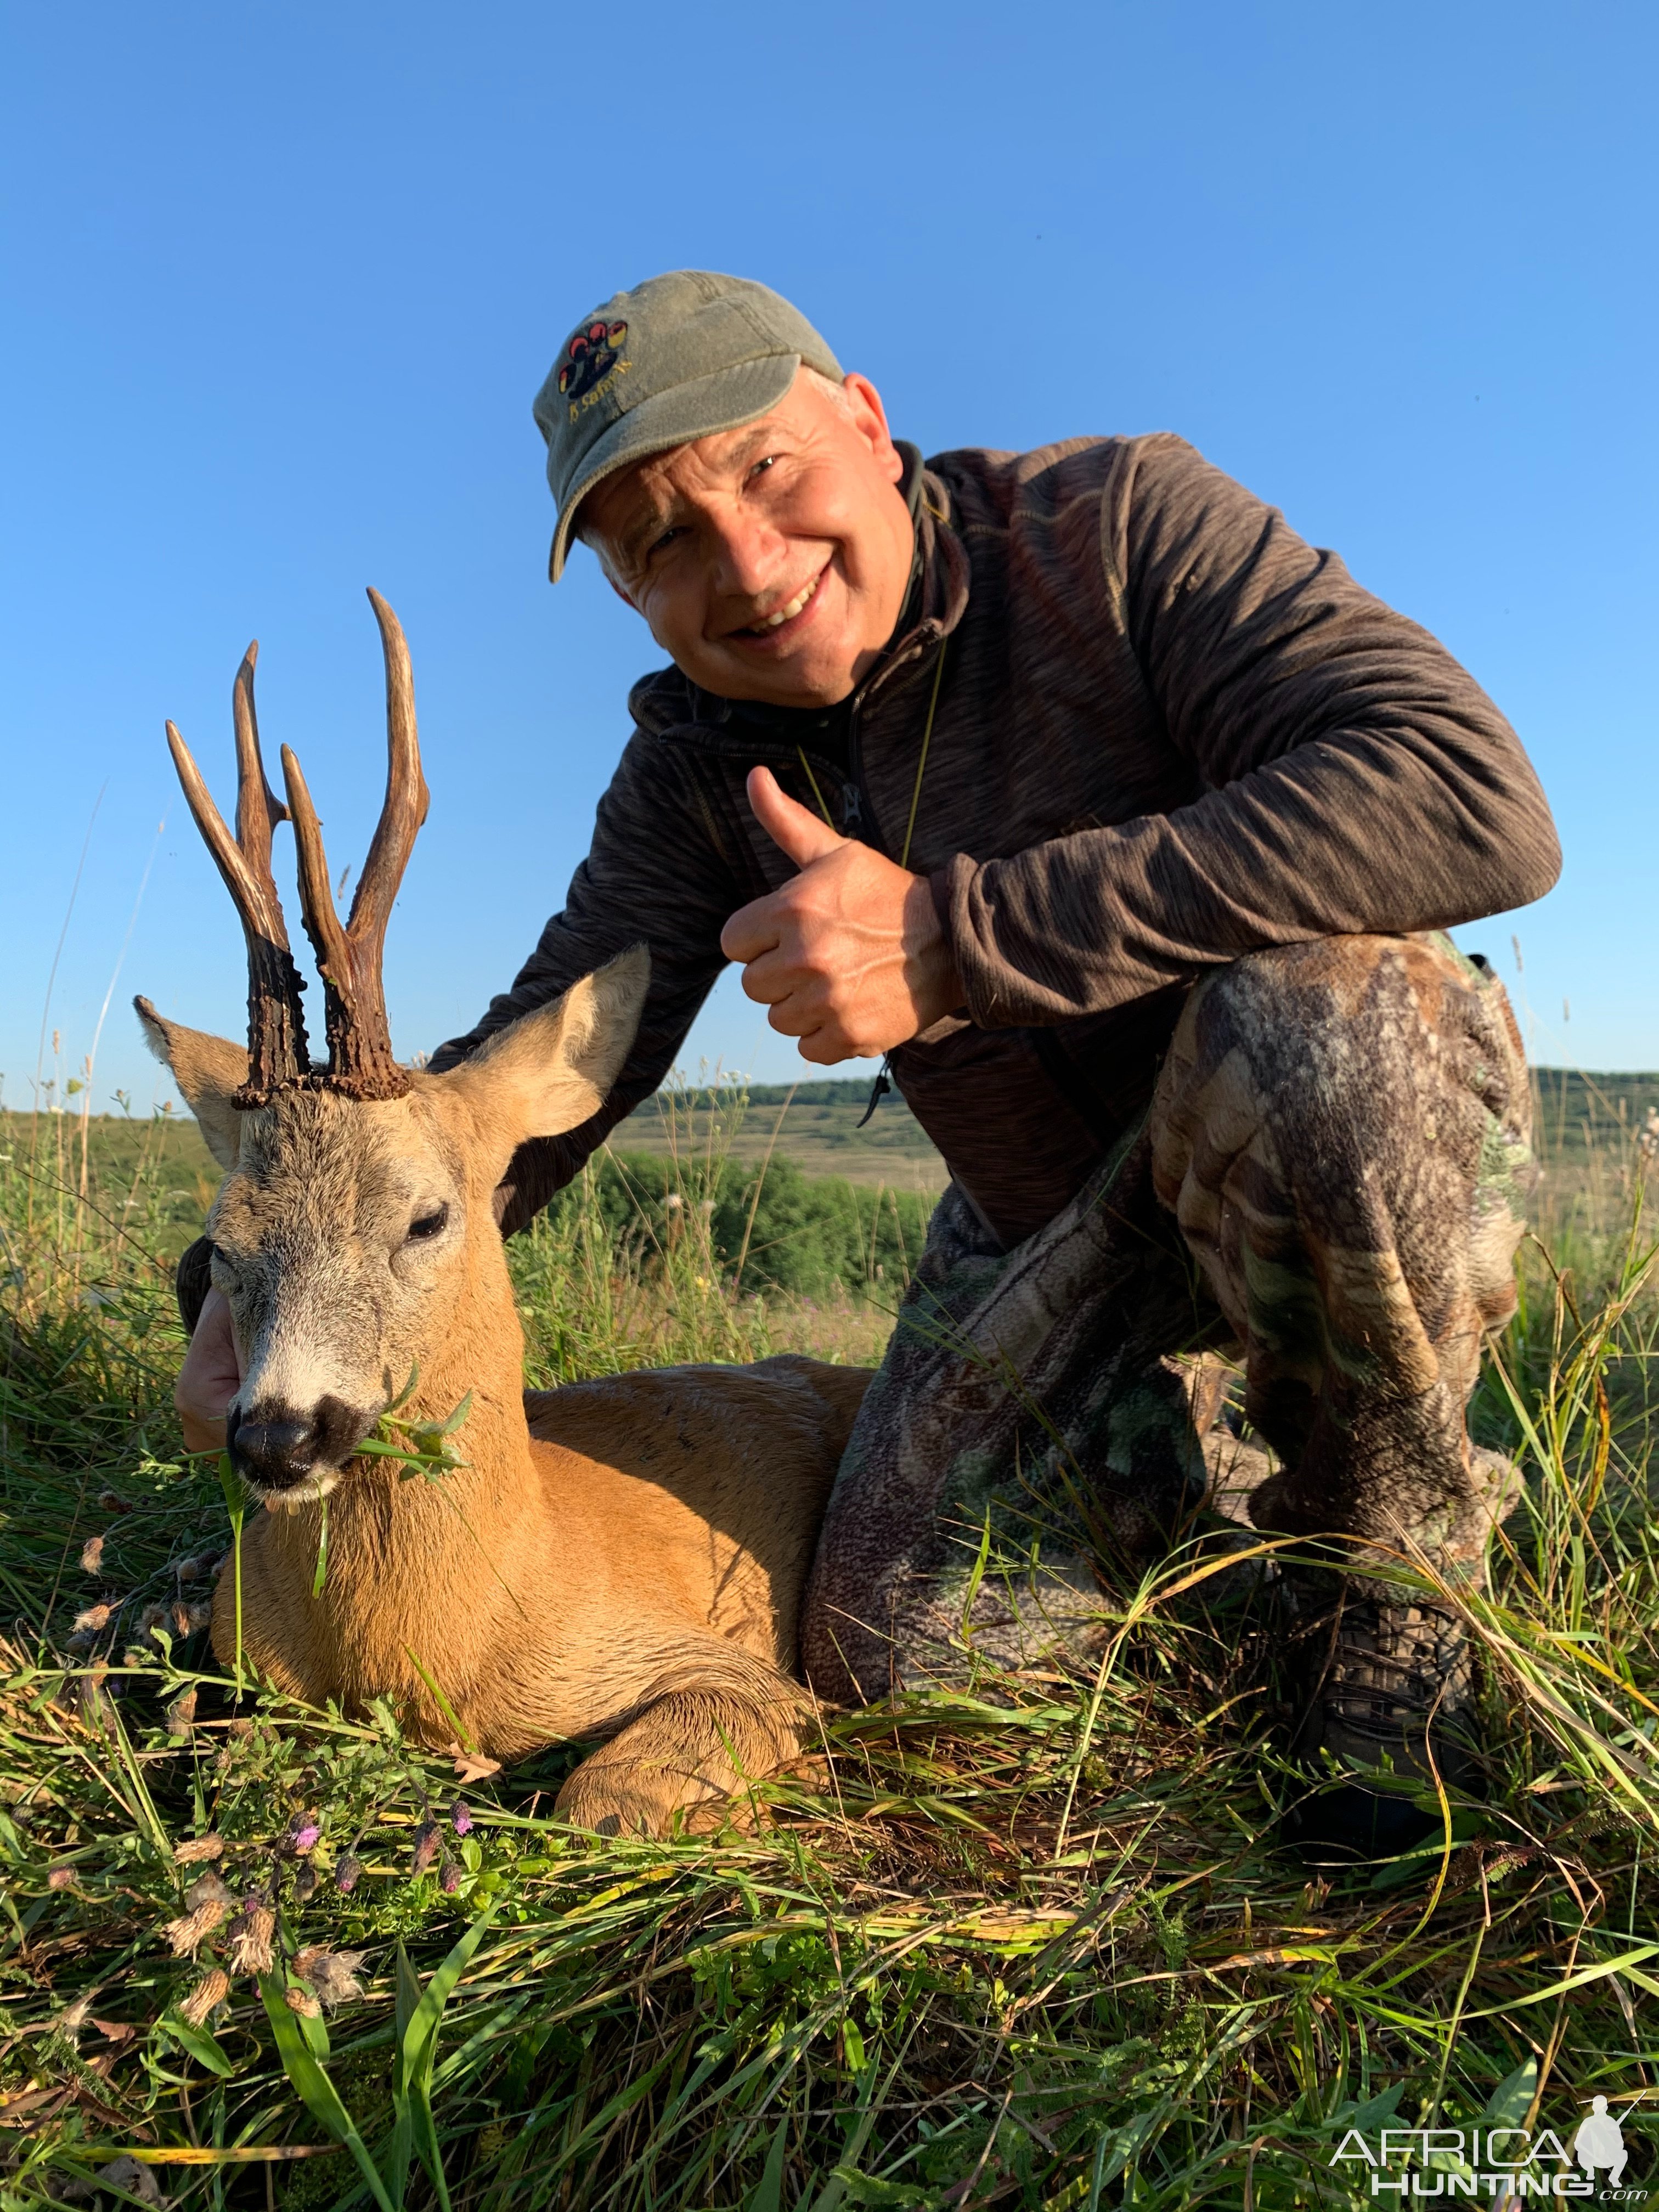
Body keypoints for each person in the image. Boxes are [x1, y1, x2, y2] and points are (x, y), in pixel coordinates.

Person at [174, 269, 1560, 1860]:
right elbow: (503, 1105)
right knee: (899, 1661)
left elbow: (1470, 795)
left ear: (865, 418)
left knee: (1325, 1030)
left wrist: (956, 942)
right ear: (627, 593)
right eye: (661, 544)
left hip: (1281, 1132)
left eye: (764, 469)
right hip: (1040, 1236)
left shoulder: (1120, 528)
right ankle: (1202, 1508)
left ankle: (1385, 1594)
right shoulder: (698, 765)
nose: (747, 566)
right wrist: (253, 1287)